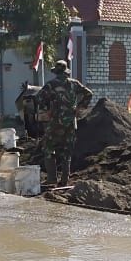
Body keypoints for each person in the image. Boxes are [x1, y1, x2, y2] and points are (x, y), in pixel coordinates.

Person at [35, 59, 92, 187]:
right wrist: (80, 107)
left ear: (56, 72)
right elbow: (89, 94)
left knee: (48, 147)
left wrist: (47, 110)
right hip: (70, 123)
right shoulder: (74, 84)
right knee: (67, 150)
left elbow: (39, 98)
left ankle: (52, 178)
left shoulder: (51, 85)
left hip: (55, 122)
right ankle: (65, 179)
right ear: (66, 72)